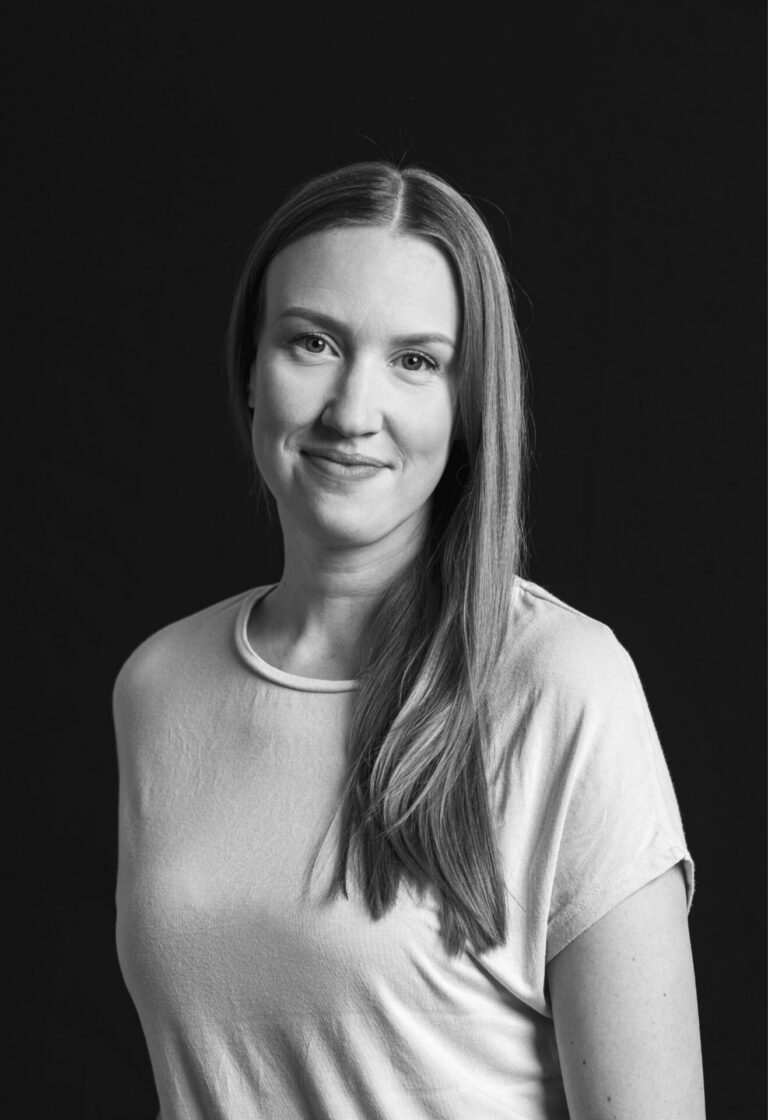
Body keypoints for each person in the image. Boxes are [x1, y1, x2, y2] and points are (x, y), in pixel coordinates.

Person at [113, 161, 706, 1120]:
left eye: (416, 361)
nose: (353, 412)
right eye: (312, 343)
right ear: (250, 371)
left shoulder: (561, 684)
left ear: (466, 406)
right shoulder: (160, 685)